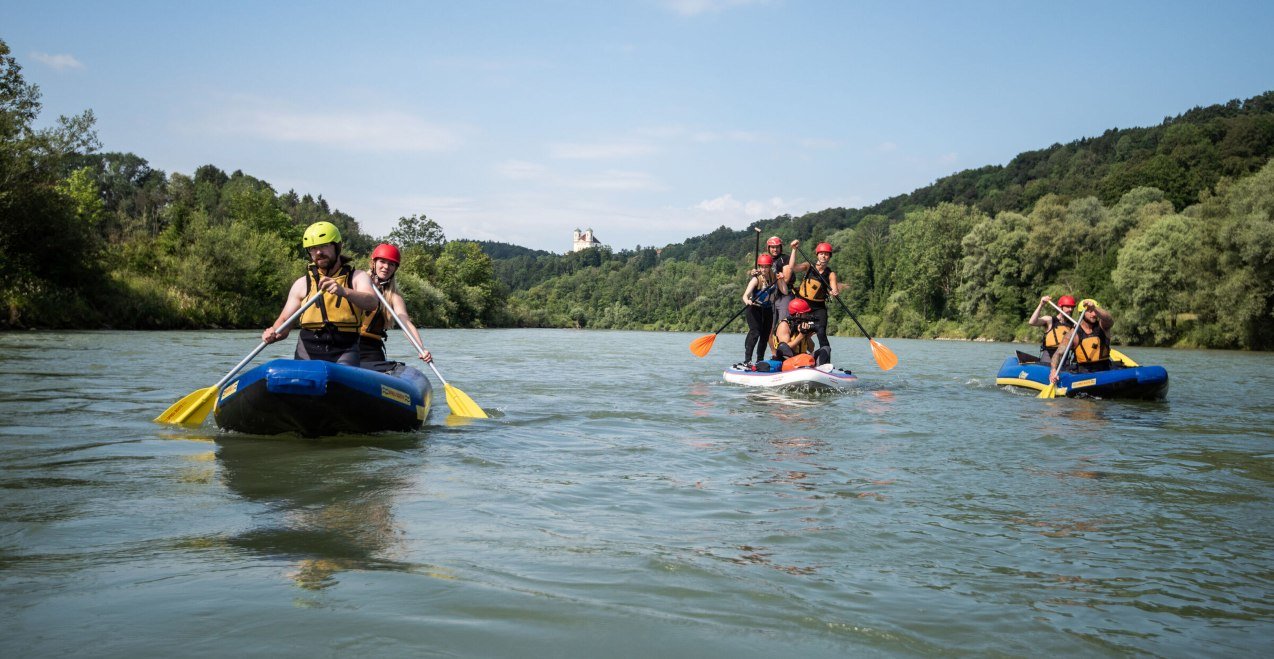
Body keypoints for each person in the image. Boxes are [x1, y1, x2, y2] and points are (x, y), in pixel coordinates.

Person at [262, 221, 378, 366]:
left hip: (344, 348)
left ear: (337, 246)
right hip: (308, 348)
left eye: (324, 246)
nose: (318, 252)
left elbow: (372, 302)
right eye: (313, 248)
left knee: (341, 378)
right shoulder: (302, 284)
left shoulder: (357, 277)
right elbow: (284, 320)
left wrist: (344, 291)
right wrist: (274, 332)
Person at [358, 243, 433, 370]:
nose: (386, 267)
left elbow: (406, 324)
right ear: (373, 263)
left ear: (395, 268)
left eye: (391, 264)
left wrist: (421, 349)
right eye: (382, 261)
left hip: (371, 349)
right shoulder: (356, 280)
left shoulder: (394, 297)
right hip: (346, 343)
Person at [785, 241, 839, 353]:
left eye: (826, 254)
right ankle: (791, 354)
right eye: (821, 253)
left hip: (819, 307)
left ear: (829, 257)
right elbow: (793, 267)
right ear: (817, 255)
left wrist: (834, 291)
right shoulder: (809, 266)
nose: (823, 256)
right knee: (796, 329)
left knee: (821, 331)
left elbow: (834, 287)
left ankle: (825, 358)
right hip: (802, 304)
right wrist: (794, 250)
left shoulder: (831, 274)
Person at [1050, 299, 1115, 384]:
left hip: (1105, 369)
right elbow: (1058, 353)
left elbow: (1109, 319)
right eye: (1090, 311)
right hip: (1084, 373)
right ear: (1082, 313)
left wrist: (1094, 308)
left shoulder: (1103, 326)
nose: (1094, 314)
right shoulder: (1073, 334)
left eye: (1095, 311)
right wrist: (1053, 370)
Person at [741, 253, 778, 366]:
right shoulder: (756, 280)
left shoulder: (774, 277)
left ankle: (759, 360)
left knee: (765, 335)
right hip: (754, 309)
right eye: (761, 266)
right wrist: (748, 301)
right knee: (755, 333)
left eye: (766, 266)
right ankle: (747, 360)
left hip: (767, 309)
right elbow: (745, 296)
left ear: (770, 266)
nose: (764, 269)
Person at [773, 298, 830, 366]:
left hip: (802, 358)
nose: (807, 315)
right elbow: (785, 349)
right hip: (787, 361)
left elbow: (811, 348)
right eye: (805, 313)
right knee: (785, 348)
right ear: (797, 314)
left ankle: (822, 369)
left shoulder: (802, 325)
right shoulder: (784, 325)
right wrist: (801, 335)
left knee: (826, 349)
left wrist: (807, 337)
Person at [1029, 294, 1076, 363]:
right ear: (1060, 307)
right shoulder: (1050, 320)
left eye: (1072, 307)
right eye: (1068, 307)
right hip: (1048, 357)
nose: (1070, 309)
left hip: (1064, 358)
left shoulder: (1073, 324)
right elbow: (1032, 322)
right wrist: (1041, 304)